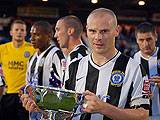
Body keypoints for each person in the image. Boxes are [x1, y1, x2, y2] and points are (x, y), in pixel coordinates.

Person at [64, 8, 150, 120]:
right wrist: (44, 110)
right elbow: (66, 110)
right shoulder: (73, 67)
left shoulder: (134, 68)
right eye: (92, 31)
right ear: (86, 30)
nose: (98, 37)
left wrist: (103, 108)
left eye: (104, 31)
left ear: (116, 30)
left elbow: (143, 115)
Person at [21, 21, 65, 119]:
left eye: (37, 35)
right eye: (31, 35)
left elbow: (65, 84)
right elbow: (28, 83)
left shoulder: (56, 55)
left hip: (50, 113)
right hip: (33, 112)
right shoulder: (32, 58)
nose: (31, 39)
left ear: (49, 35)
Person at [0, 20, 35, 120]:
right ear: (11, 32)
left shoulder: (32, 49)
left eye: (22, 30)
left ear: (25, 33)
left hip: (24, 95)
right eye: (16, 30)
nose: (19, 32)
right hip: (7, 94)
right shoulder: (2, 49)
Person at [134, 22, 160, 119]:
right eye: (141, 40)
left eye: (149, 39)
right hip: (142, 116)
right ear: (136, 40)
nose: (145, 44)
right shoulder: (133, 60)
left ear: (155, 37)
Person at [54, 15, 89, 86]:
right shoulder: (77, 54)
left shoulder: (77, 58)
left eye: (58, 30)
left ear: (70, 31)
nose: (55, 35)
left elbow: (71, 95)